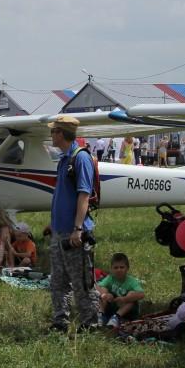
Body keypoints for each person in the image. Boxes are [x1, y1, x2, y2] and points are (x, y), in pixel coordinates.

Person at [46, 115, 99, 332]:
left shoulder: (80, 158)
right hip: (59, 230)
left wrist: (78, 228)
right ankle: (60, 320)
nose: (51, 135)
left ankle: (90, 322)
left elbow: (84, 194)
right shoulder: (63, 159)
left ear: (61, 133)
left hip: (73, 233)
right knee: (57, 280)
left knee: (81, 281)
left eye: (53, 131)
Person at [96, 252, 145, 328]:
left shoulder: (131, 281)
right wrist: (105, 295)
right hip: (111, 306)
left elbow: (141, 294)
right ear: (111, 269)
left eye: (122, 267)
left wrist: (125, 299)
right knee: (103, 290)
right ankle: (101, 315)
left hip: (126, 311)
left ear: (127, 268)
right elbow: (96, 286)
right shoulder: (110, 278)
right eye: (116, 267)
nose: (119, 270)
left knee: (132, 294)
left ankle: (116, 318)